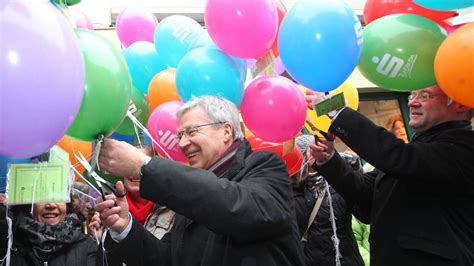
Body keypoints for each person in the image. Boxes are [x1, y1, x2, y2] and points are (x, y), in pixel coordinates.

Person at [94, 96, 305, 265]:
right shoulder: (189, 197)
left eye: (192, 131)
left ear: (226, 131)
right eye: (180, 135)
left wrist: (145, 166)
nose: (183, 143)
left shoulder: (265, 167)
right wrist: (125, 227)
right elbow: (168, 259)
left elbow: (237, 207)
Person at [307, 85, 474, 265]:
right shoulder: (415, 151)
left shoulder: (464, 147)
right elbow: (366, 200)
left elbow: (397, 157)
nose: (412, 102)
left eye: (424, 96)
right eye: (412, 95)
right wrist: (330, 160)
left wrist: (338, 111)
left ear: (459, 105)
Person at [292, 135, 364, 266]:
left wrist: (348, 167)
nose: (317, 154)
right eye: (312, 151)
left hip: (347, 259)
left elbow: (361, 204)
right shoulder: (293, 188)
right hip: (313, 260)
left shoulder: (335, 181)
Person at [0, 201, 103, 265]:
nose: (51, 205)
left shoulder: (88, 245)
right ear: (29, 204)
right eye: (42, 197)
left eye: (58, 196)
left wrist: (108, 239)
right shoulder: (8, 244)